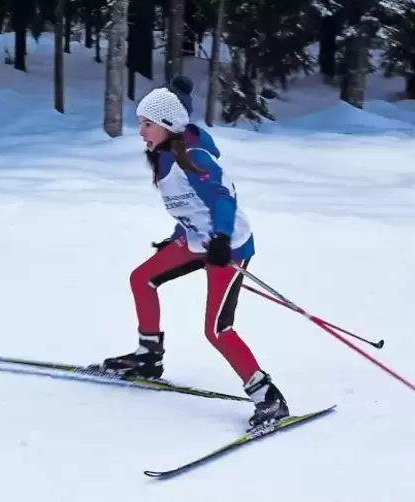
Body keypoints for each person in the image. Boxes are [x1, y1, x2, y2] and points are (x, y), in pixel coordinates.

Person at [100, 74, 290, 428]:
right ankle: (148, 357)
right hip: (196, 241)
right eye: (141, 123)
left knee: (217, 330)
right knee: (142, 278)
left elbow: (221, 198)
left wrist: (219, 239)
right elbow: (190, 206)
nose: (140, 132)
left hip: (228, 247)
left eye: (146, 124)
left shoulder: (194, 156)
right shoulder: (163, 155)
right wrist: (177, 235)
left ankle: (268, 398)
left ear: (169, 125)